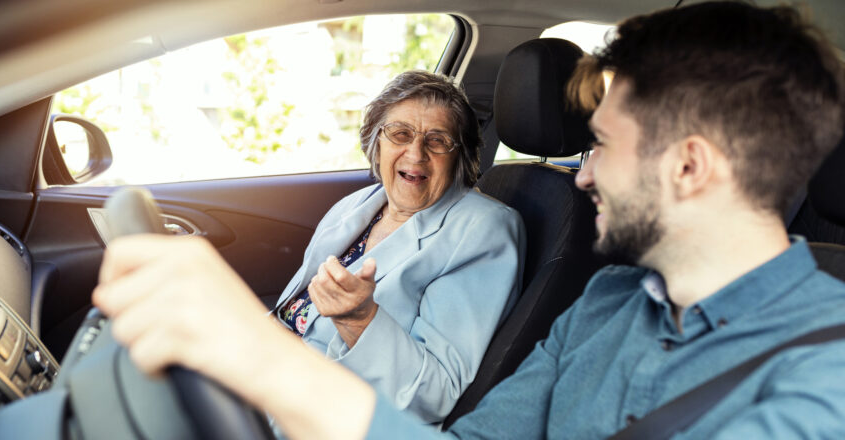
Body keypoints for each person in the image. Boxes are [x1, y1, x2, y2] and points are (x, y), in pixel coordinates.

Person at [93, 1, 845, 439]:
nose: (580, 174)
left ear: (688, 166)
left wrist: (258, 359)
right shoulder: (606, 302)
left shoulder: (825, 378)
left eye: (603, 147)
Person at [269, 70, 524, 422]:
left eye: (437, 140)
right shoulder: (362, 203)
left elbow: (435, 392)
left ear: (459, 156)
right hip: (270, 379)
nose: (416, 154)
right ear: (376, 143)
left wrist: (358, 321)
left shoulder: (483, 229)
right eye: (400, 134)